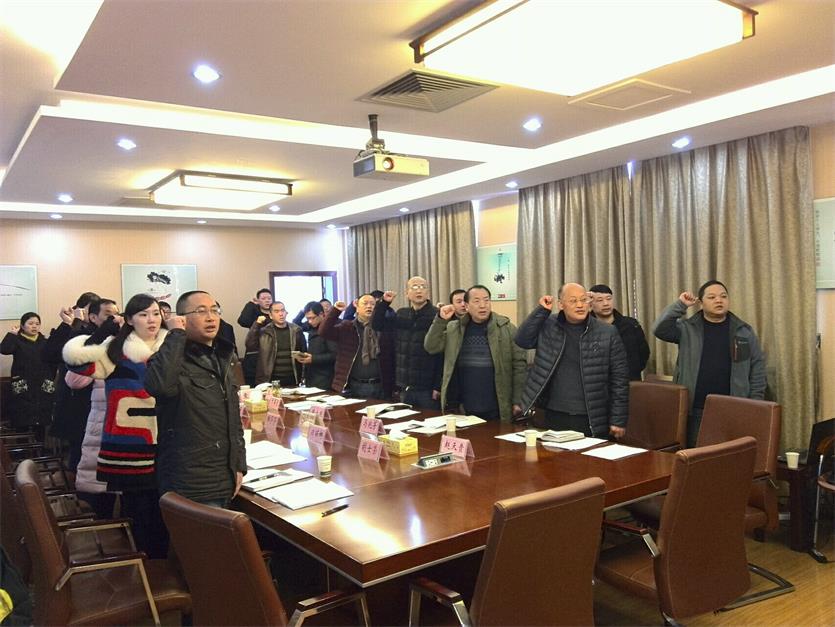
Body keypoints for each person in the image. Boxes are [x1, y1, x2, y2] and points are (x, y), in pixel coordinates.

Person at [62, 295, 169, 557]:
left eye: (156, 313)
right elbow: (76, 362)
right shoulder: (117, 349)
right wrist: (102, 333)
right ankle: (145, 566)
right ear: (129, 319)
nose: (152, 319)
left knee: (165, 509)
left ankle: (163, 564)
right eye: (143, 314)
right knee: (138, 511)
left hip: (168, 439)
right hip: (128, 443)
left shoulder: (171, 348)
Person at [145, 290, 246, 507]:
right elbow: (159, 386)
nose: (210, 318)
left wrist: (239, 465)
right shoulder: (170, 359)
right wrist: (175, 334)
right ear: (182, 319)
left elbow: (233, 419)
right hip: (190, 479)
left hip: (224, 474)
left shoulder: (223, 356)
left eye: (214, 310)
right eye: (201, 311)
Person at [652, 280, 767, 447]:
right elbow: (659, 329)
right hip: (696, 409)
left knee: (732, 455)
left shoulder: (743, 331)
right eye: (712, 297)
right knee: (697, 456)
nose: (719, 300)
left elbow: (757, 368)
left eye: (723, 296)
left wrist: (755, 403)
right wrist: (681, 305)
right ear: (701, 302)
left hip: (735, 407)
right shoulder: (687, 328)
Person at [515, 283, 629, 438]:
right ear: (561, 304)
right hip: (554, 412)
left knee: (590, 454)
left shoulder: (607, 332)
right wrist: (541, 311)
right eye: (573, 301)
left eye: (583, 300)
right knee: (554, 453)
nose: (580, 305)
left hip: (592, 415)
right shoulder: (548, 325)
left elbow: (620, 378)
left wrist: (618, 419)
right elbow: (522, 340)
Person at [424, 285, 527, 422]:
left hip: (497, 405)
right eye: (477, 301)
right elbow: (431, 346)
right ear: (466, 306)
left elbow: (519, 365)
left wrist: (517, 400)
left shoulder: (506, 328)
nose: (483, 305)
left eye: (486, 300)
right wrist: (440, 320)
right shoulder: (454, 328)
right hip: (463, 406)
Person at [59, 297, 120, 517]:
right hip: (91, 421)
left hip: (122, 425)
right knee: (98, 491)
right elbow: (73, 380)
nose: (115, 319)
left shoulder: (128, 343)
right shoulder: (90, 342)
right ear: (93, 317)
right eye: (109, 315)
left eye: (117, 314)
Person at [44, 291, 100, 470]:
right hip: (73, 399)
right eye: (90, 309)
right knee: (78, 449)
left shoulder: (100, 331)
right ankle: (76, 482)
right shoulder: (70, 328)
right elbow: (50, 354)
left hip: (96, 399)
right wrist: (70, 323)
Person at [372, 277, 442, 409]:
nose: (419, 290)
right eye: (414, 287)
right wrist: (384, 303)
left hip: (428, 387)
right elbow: (377, 325)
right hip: (405, 385)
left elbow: (442, 354)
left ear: (428, 293)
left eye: (423, 287)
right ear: (407, 293)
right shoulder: (401, 314)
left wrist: (438, 386)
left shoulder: (437, 315)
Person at [319, 294, 395, 399]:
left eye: (372, 304)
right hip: (353, 386)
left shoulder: (383, 328)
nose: (369, 306)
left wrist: (385, 303)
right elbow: (323, 332)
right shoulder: (347, 327)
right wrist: (335, 311)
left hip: (380, 385)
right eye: (365, 303)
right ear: (357, 307)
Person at [1, 312, 56, 437]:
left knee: (42, 418)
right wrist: (12, 334)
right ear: (22, 325)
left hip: (43, 383)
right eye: (30, 323)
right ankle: (22, 446)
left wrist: (50, 378)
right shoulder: (17, 340)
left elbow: (54, 362)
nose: (34, 326)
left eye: (37, 323)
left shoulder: (45, 342)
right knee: (22, 416)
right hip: (23, 383)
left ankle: (40, 446)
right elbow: (4, 349)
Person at [589, 284, 650, 381]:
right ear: (590, 304)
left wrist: (633, 370)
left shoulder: (631, 325)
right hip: (597, 383)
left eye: (609, 299)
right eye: (600, 300)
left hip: (629, 380)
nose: (606, 303)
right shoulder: (586, 327)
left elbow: (644, 352)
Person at [245, 301, 306, 386]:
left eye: (283, 310)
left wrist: (303, 377)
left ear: (286, 313)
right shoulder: (265, 331)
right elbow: (250, 345)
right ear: (270, 315)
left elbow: (304, 353)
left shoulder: (296, 330)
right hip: (270, 379)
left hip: (293, 378)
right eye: (276, 311)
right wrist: (257, 324)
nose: (281, 314)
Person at [293, 301, 336, 390]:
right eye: (307, 318)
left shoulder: (330, 328)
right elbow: (295, 324)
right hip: (311, 375)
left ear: (321, 314)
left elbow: (335, 355)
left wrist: (313, 359)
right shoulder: (311, 326)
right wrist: (303, 311)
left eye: (312, 318)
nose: (310, 321)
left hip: (326, 377)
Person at [237, 288, 273, 386]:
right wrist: (251, 304)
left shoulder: (275, 315)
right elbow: (242, 321)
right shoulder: (254, 313)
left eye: (269, 298)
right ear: (258, 300)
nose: (267, 301)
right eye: (263, 298)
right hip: (255, 354)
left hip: (271, 354)